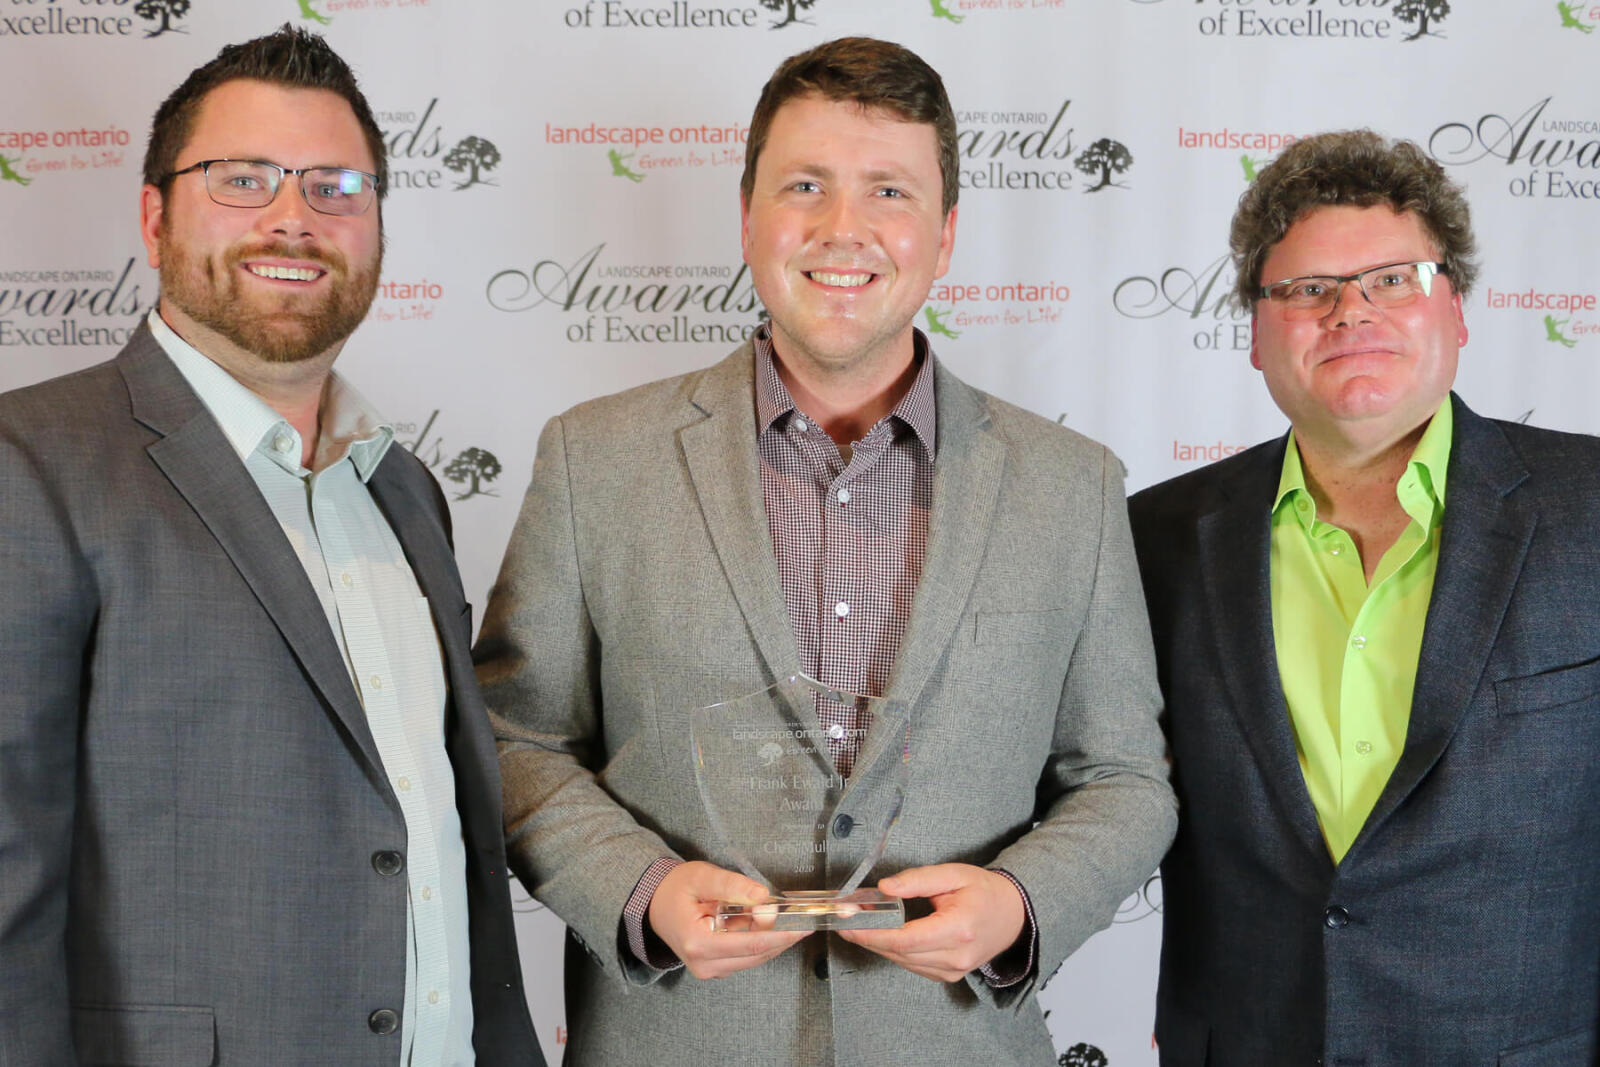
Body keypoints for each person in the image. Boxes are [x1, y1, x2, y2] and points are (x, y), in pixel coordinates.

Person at [476, 36, 1174, 1066]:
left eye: (888, 191)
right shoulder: (594, 460)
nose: (843, 229)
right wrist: (638, 887)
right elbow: (511, 741)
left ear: (943, 237)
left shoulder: (1069, 483)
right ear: (749, 215)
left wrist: (1023, 902)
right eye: (805, 185)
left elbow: (1123, 775)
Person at [0, 27, 543, 1066]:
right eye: (243, 178)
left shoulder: (404, 488)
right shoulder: (30, 466)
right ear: (155, 217)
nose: (294, 217)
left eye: (336, 186)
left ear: (378, 226)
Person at [1130, 130, 1600, 1064]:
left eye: (1394, 279)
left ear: (1455, 311)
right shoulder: (1154, 538)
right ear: (1257, 332)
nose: (1350, 311)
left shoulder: (1589, 509)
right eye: (1308, 290)